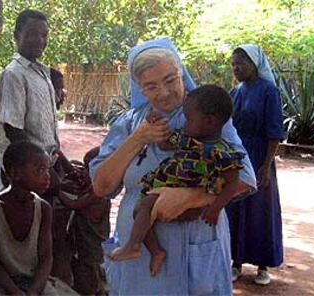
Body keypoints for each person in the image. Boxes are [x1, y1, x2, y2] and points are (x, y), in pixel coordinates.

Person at [89, 37, 256, 295]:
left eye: (170, 80)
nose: (164, 92)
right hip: (139, 257)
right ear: (139, 88)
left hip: (195, 247)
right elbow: (102, 186)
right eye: (151, 86)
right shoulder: (130, 123)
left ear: (182, 73)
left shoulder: (206, 116)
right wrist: (139, 138)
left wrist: (189, 197)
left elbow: (245, 177)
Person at [109, 85, 245, 278]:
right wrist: (156, 123)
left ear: (209, 121)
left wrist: (215, 207)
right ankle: (154, 251)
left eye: (189, 119)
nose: (184, 122)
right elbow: (165, 143)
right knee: (141, 210)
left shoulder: (223, 153)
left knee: (144, 209)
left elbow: (233, 183)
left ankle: (134, 245)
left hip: (192, 204)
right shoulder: (187, 137)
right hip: (168, 187)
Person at [225, 44, 284, 285]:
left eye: (241, 63)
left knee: (261, 211)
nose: (236, 68)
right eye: (233, 64)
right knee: (235, 207)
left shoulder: (269, 91)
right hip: (237, 157)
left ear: (255, 64)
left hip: (260, 156)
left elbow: (274, 132)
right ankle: (235, 262)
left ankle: (262, 266)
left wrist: (266, 165)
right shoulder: (234, 92)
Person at [0, 9, 60, 196]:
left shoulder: (41, 73)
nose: (40, 40)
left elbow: (47, 135)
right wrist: (46, 170)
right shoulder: (14, 74)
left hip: (41, 169)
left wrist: (63, 165)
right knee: (24, 222)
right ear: (16, 36)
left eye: (44, 35)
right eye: (32, 34)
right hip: (24, 173)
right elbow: (13, 129)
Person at [0, 141, 55, 295]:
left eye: (48, 169)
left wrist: (34, 291)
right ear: (15, 173)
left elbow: (46, 258)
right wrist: (15, 292)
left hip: (35, 280)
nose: (48, 176)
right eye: (40, 170)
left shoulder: (44, 209)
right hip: (2, 282)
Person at [57, 147, 110, 295]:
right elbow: (72, 173)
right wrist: (61, 157)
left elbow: (72, 204)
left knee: (89, 278)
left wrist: (56, 189)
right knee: (81, 272)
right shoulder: (90, 185)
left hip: (91, 249)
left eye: (88, 169)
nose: (83, 172)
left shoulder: (98, 193)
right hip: (82, 245)